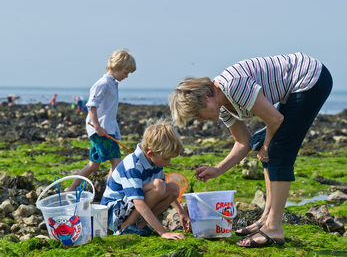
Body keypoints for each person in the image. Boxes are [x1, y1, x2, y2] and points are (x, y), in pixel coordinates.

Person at [168, 52, 332, 248]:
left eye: (197, 114)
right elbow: (243, 142)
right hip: (297, 85)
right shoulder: (223, 107)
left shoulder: (233, 86)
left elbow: (275, 119)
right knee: (259, 141)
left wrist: (266, 147)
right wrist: (218, 169)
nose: (200, 120)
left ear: (206, 98)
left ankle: (273, 227)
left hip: (310, 77)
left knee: (277, 149)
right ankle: (266, 218)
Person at [100, 119, 191, 239]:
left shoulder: (156, 162)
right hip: (113, 213)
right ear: (150, 153)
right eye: (165, 158)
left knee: (173, 188)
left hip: (129, 207)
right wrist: (163, 232)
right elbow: (138, 203)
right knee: (158, 186)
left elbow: (165, 189)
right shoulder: (132, 165)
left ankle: (139, 226)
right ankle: (126, 227)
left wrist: (180, 212)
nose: (168, 163)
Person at [68, 49, 136, 192]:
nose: (127, 76)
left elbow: (108, 111)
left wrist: (115, 131)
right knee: (117, 164)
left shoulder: (113, 83)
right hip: (101, 130)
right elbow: (91, 106)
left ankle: (71, 189)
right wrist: (98, 127)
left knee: (94, 165)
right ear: (116, 68)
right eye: (125, 72)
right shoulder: (103, 83)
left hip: (106, 129)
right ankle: (109, 194)